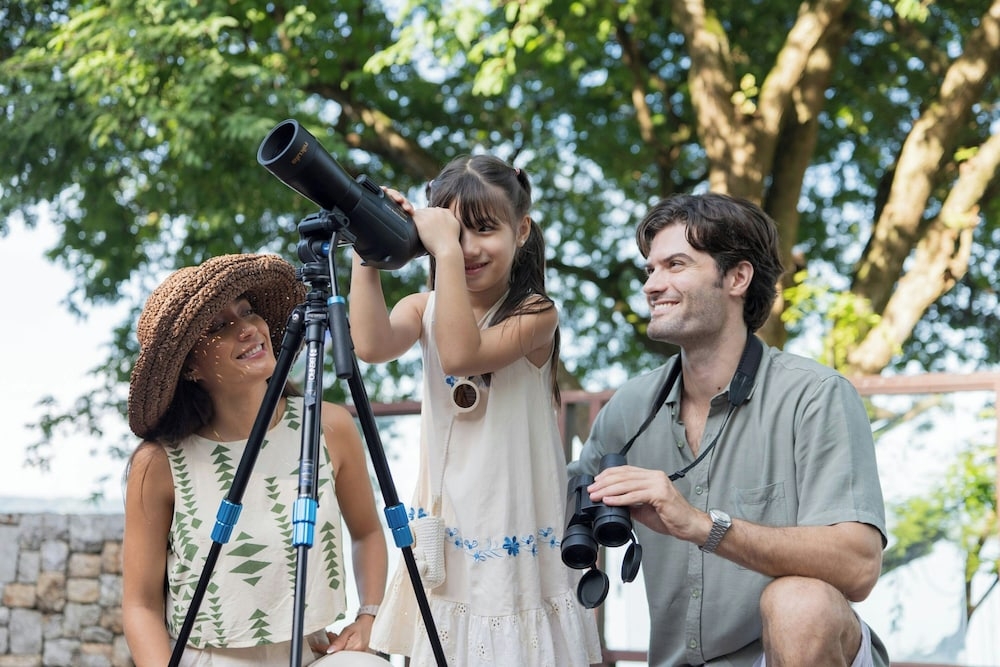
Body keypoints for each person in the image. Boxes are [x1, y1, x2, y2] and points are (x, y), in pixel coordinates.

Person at [568, 193, 889, 667]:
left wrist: (701, 525)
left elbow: (859, 567)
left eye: (675, 264)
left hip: (792, 653)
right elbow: (550, 509)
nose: (652, 285)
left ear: (738, 277)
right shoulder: (629, 408)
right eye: (649, 270)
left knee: (800, 604)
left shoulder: (816, 394)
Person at [349, 155, 602, 666]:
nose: (466, 248)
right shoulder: (425, 307)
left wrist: (441, 247)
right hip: (448, 522)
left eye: (484, 230)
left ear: (522, 230)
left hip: (511, 518)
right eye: (453, 231)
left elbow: (462, 353)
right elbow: (371, 344)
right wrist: (368, 247)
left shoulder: (535, 313)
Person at [121, 253, 388, 666]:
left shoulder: (328, 426)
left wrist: (370, 615)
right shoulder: (160, 463)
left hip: (314, 653)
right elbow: (140, 606)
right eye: (219, 326)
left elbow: (368, 532)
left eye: (247, 311)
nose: (247, 328)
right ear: (190, 365)